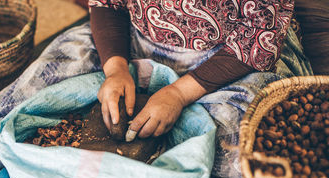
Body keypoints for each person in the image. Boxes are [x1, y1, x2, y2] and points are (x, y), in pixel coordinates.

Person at [89, 0, 295, 141]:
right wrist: (116, 69)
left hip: (226, 59)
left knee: (247, 134)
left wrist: (178, 94)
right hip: (136, 42)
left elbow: (259, 36)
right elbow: (108, 5)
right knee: (65, 67)